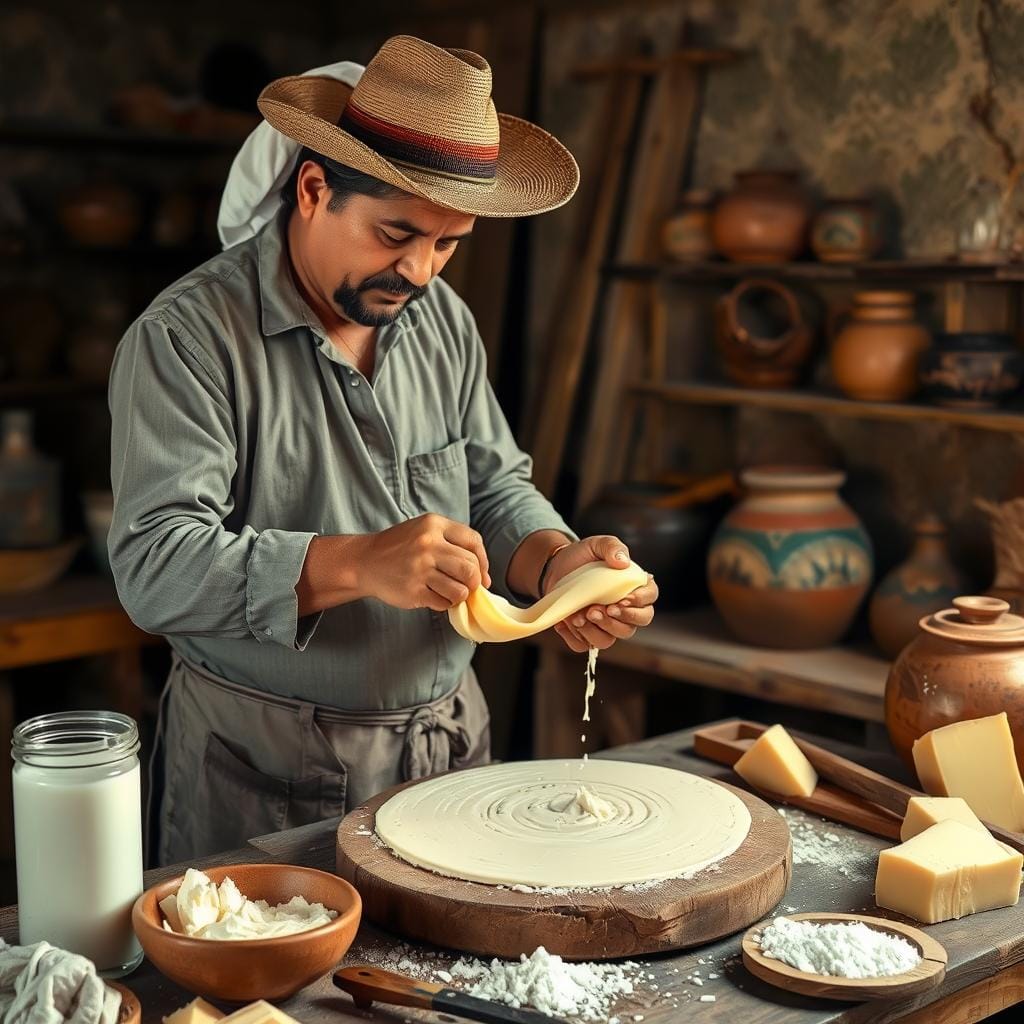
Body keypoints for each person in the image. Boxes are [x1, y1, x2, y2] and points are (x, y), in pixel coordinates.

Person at [108, 35, 659, 866]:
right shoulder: (187, 340)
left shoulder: (443, 322)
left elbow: (495, 485)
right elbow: (154, 566)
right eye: (396, 233)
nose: (422, 271)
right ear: (314, 187)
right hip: (264, 772)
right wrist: (359, 563)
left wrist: (558, 568)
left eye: (448, 244)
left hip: (448, 758)